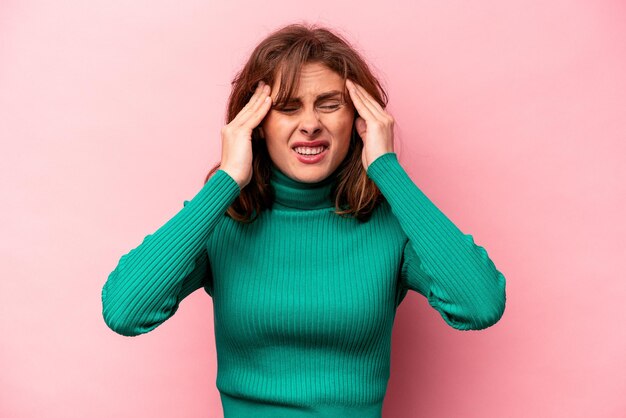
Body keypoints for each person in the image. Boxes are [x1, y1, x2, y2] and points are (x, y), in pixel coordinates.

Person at [101, 22, 507, 418]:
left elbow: (480, 304)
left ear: (359, 120)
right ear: (256, 124)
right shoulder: (221, 222)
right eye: (287, 107)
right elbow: (125, 311)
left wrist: (388, 170)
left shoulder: (391, 226)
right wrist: (226, 181)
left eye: (329, 104)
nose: (310, 124)